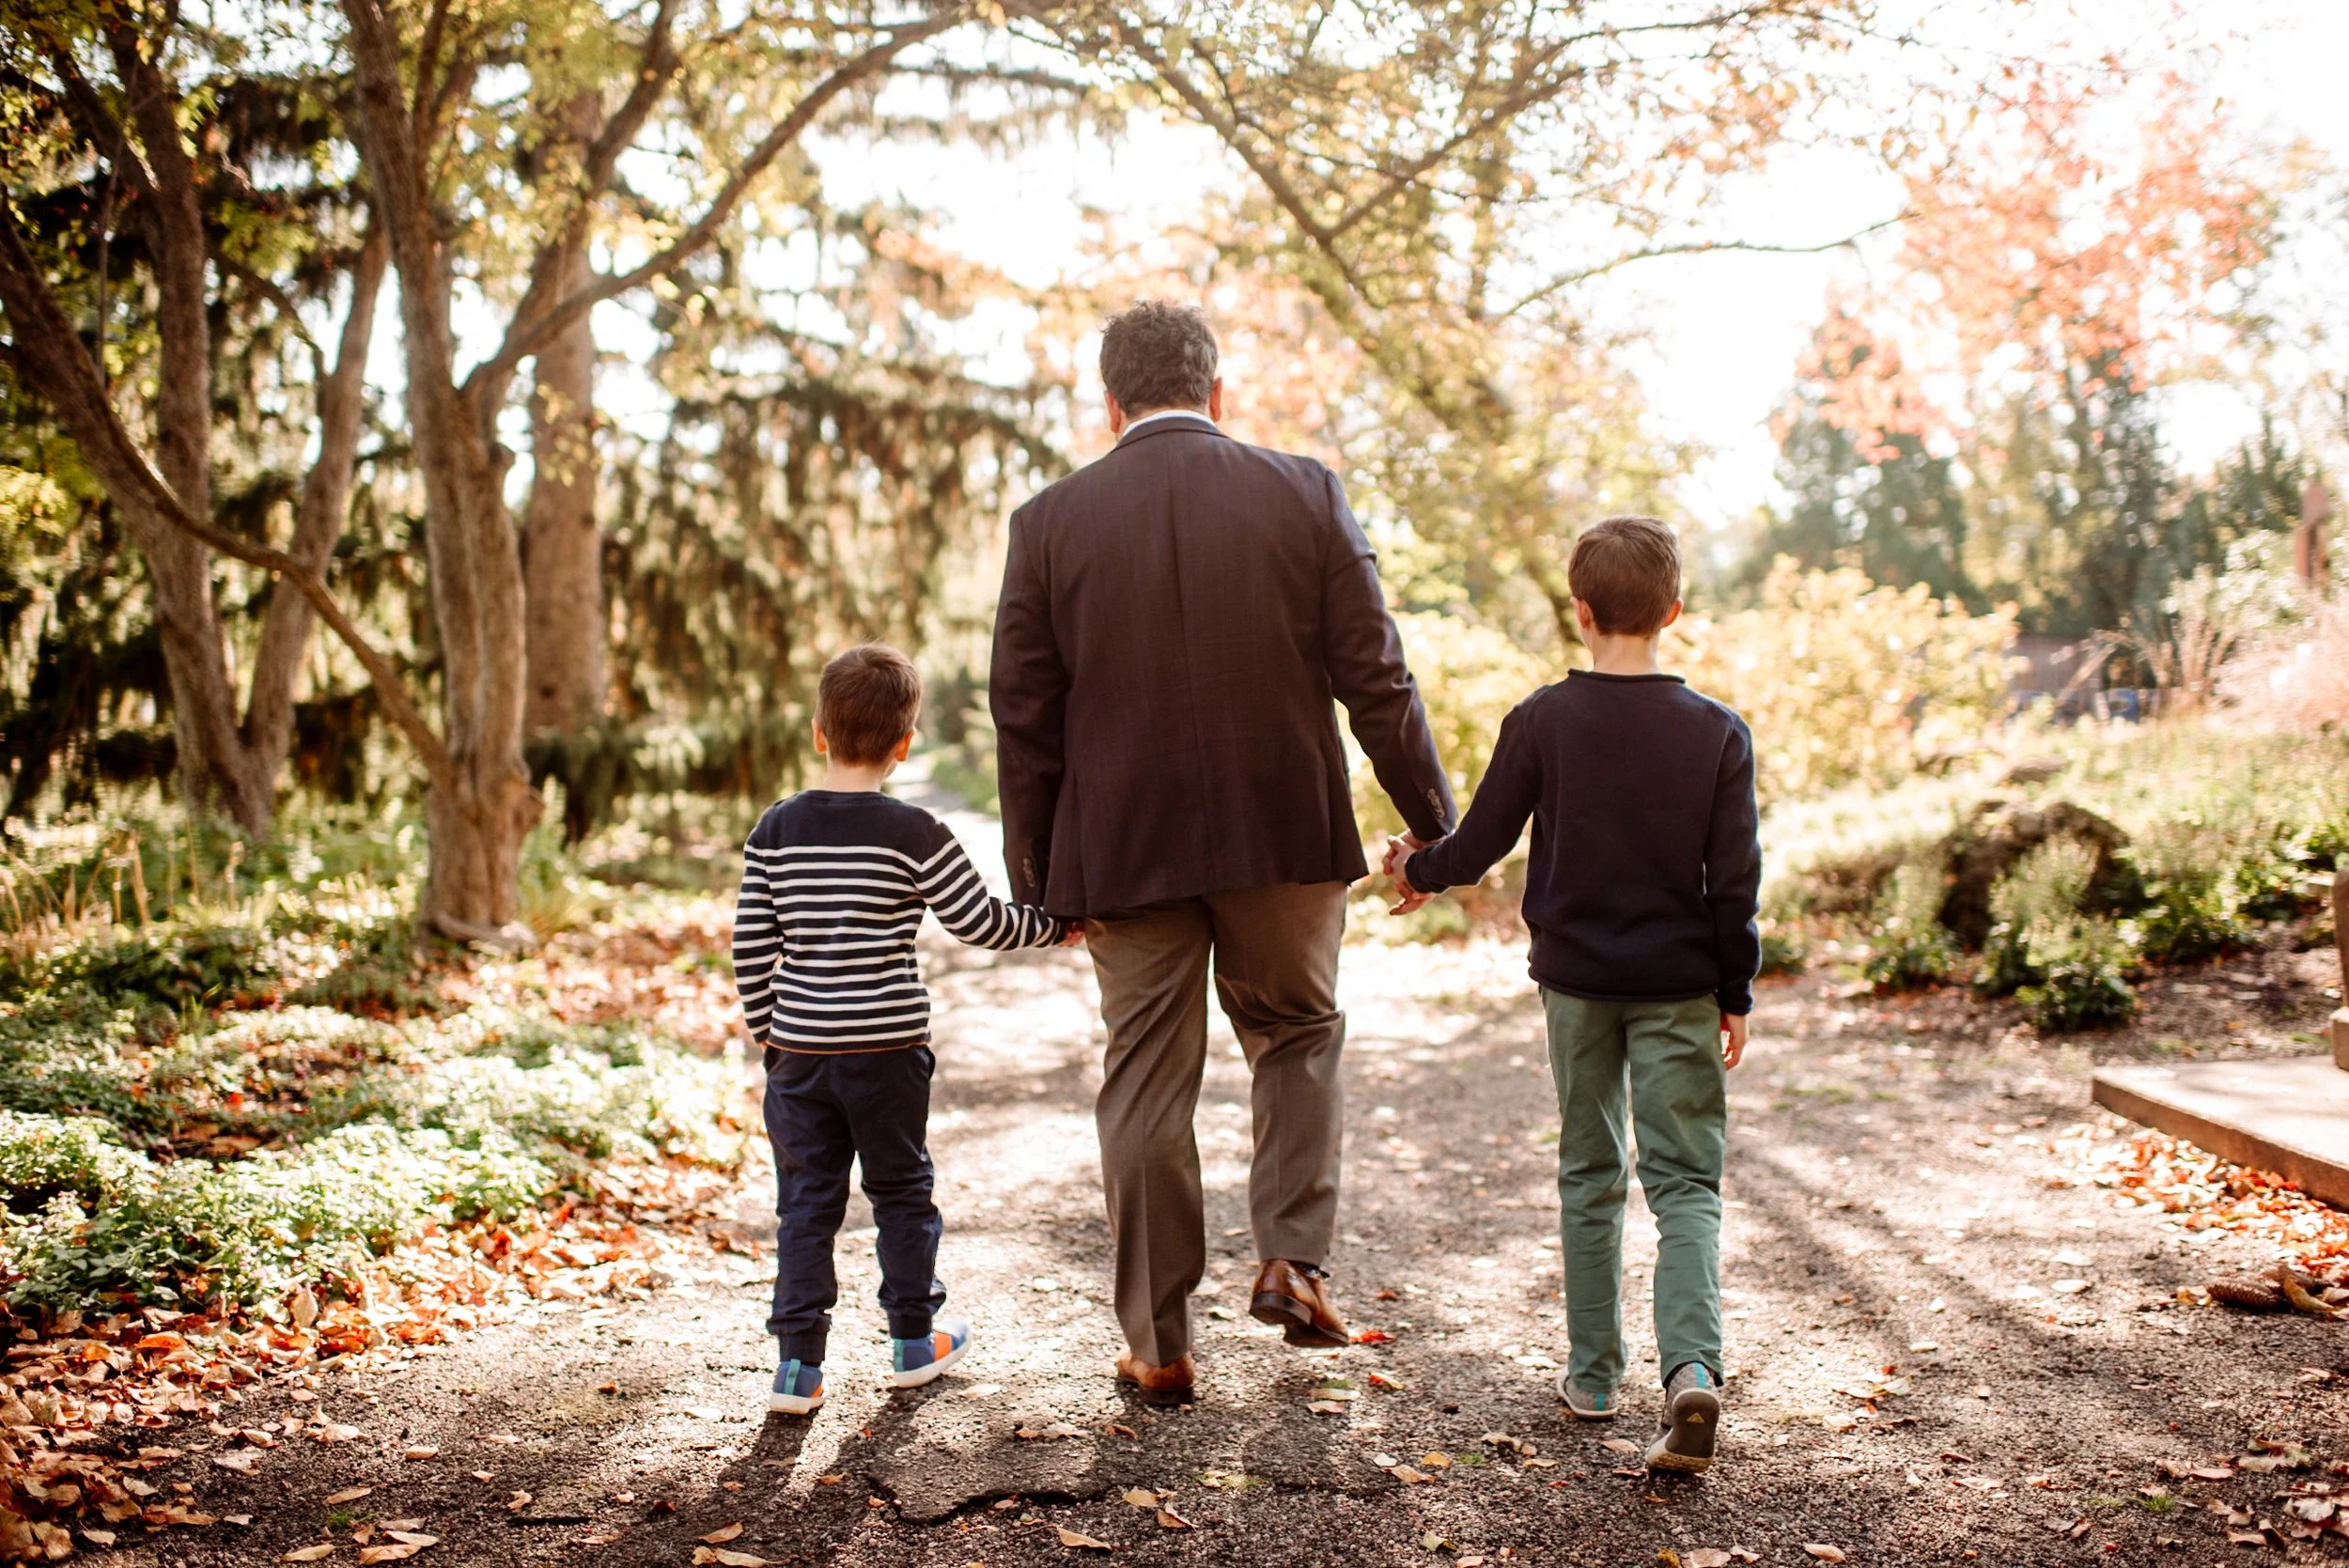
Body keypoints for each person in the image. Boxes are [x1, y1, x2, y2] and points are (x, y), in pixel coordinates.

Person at [989, 301, 1455, 1403]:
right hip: (1283, 832)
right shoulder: (1304, 493)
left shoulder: (1048, 521)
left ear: (1110, 404)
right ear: (1217, 390)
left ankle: (1157, 1346)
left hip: (1123, 844)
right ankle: (1293, 1257)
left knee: (1145, 1078)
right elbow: (1373, 676)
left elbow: (1024, 713)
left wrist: (1038, 878)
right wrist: (1431, 822)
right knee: (1296, 1031)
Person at [1384, 514, 1761, 1473]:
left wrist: (1416, 869)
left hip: (1577, 989)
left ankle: (1593, 1376)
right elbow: (1736, 880)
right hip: (1679, 987)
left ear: (1578, 610)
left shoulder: (1540, 719)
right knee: (1683, 1183)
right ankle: (1690, 1370)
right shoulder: (1718, 732)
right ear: (1673, 611)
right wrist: (1735, 990)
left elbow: (1479, 845)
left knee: (1590, 1173)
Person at [732, 644, 1076, 1417]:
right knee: (900, 1190)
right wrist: (1054, 926)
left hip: (802, 1053)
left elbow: (752, 943)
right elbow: (979, 920)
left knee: (806, 1202)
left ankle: (797, 1368)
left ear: (819, 732)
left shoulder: (776, 828)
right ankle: (914, 1342)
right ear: (904, 744)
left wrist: (770, 1029)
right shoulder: (914, 829)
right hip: (888, 1052)